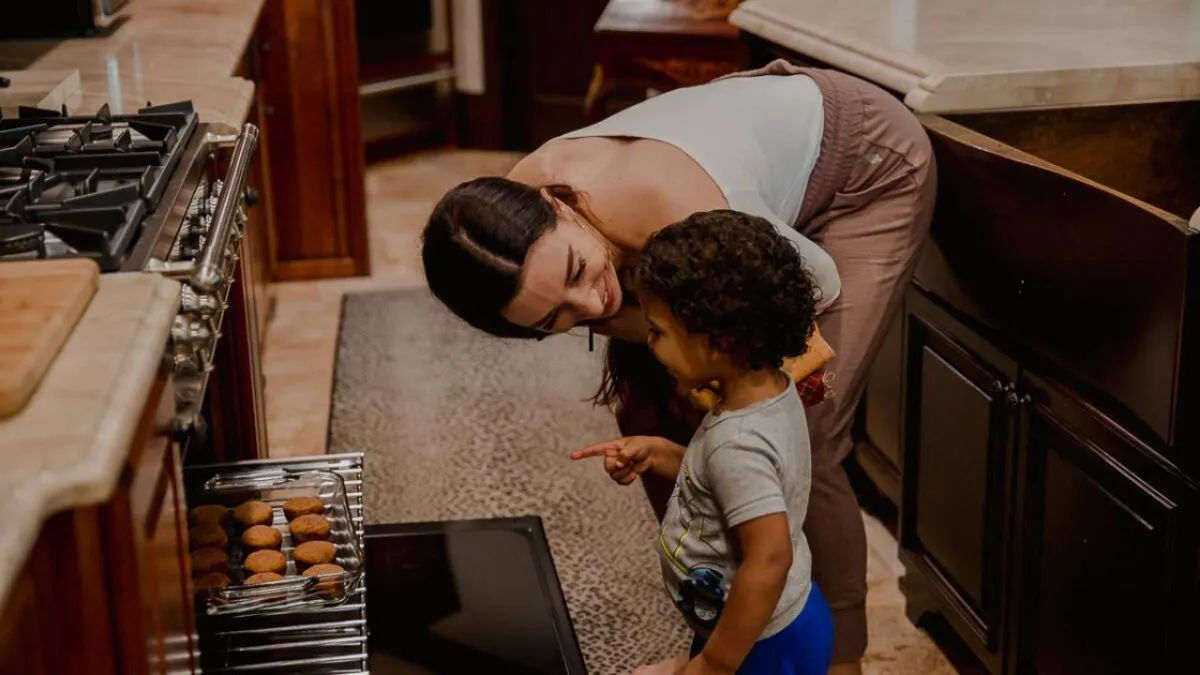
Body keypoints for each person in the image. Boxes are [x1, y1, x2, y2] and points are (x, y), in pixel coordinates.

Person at [421, 60, 937, 673]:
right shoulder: (498, 228)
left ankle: (839, 656)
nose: (591, 306)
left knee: (800, 430)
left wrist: (645, 327)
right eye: (551, 321)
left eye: (577, 273)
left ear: (554, 205)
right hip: (745, 173)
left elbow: (813, 287)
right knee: (647, 408)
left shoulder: (676, 205)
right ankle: (721, 611)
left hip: (865, 164)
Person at [572, 211, 835, 675]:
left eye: (658, 331)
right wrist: (658, 452)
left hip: (759, 642)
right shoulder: (767, 388)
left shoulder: (737, 443)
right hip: (757, 618)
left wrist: (715, 663)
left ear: (717, 342)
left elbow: (769, 557)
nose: (649, 343)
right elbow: (722, 482)